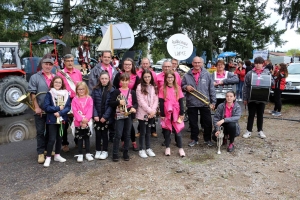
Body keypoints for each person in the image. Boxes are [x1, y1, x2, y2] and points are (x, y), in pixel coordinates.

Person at [182, 56, 216, 147]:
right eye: (195, 63)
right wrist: (186, 87)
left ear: (202, 63)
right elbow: (182, 86)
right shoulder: (186, 75)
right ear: (192, 63)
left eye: (199, 63)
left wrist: (213, 102)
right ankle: (194, 139)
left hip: (204, 102)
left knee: (208, 122)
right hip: (192, 102)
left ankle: (207, 139)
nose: (197, 64)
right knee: (193, 123)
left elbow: (211, 89)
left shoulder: (207, 74)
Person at [28, 58, 56, 164]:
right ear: (42, 65)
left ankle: (47, 150)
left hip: (51, 110)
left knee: (50, 131)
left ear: (52, 66)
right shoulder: (35, 77)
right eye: (46, 64)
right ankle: (40, 152)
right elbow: (33, 93)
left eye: (50, 64)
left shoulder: (54, 77)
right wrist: (36, 107)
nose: (48, 66)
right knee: (40, 132)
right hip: (40, 109)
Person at [89, 51, 118, 143]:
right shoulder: (95, 70)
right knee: (101, 118)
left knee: (111, 117)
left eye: (108, 57)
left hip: (112, 96)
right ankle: (101, 139)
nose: (106, 58)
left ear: (111, 58)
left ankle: (112, 137)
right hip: (99, 96)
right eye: (104, 57)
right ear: (101, 57)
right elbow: (92, 85)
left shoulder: (114, 70)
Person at [43, 76, 71, 167]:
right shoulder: (49, 93)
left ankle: (57, 155)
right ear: (53, 83)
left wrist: (60, 113)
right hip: (52, 120)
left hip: (62, 119)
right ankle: (48, 157)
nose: (58, 84)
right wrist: (57, 108)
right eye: (56, 82)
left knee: (60, 137)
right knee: (51, 139)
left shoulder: (66, 93)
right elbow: (46, 107)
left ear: (62, 84)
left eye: (59, 82)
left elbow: (67, 107)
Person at [57, 54, 83, 152]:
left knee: (76, 121)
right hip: (64, 101)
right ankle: (64, 143)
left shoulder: (78, 73)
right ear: (64, 62)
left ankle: (77, 141)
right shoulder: (60, 74)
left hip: (76, 100)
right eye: (68, 61)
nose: (70, 62)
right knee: (64, 123)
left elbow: (81, 86)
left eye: (72, 60)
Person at [110, 73, 138, 162]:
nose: (125, 82)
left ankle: (126, 152)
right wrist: (118, 102)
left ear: (129, 81)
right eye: (123, 80)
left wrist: (134, 107)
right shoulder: (116, 91)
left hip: (128, 114)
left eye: (126, 80)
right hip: (119, 114)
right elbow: (111, 103)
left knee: (127, 134)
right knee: (118, 134)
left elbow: (136, 103)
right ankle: (115, 153)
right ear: (120, 81)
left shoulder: (132, 92)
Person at [113, 58, 140, 151]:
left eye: (129, 64)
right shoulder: (118, 75)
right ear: (123, 65)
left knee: (130, 125)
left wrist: (134, 105)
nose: (127, 66)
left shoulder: (136, 77)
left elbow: (137, 90)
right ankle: (124, 141)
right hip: (120, 104)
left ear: (132, 65)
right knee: (121, 124)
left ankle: (133, 141)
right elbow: (115, 88)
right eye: (125, 64)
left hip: (130, 104)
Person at [242, 56, 270, 139]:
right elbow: (245, 86)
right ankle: (249, 131)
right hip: (251, 97)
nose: (258, 65)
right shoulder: (250, 73)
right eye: (256, 63)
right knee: (251, 114)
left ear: (263, 64)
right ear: (254, 64)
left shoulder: (267, 73)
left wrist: (268, 80)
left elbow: (271, 83)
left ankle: (260, 131)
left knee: (260, 114)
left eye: (260, 63)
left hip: (262, 97)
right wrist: (245, 98)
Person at [159, 70, 185, 157]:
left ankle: (180, 148)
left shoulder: (177, 87)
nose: (170, 79)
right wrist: (162, 114)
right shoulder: (162, 88)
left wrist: (182, 113)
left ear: (174, 78)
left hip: (176, 112)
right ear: (166, 78)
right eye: (168, 77)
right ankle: (167, 147)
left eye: (172, 77)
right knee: (167, 130)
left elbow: (181, 101)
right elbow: (161, 102)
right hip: (167, 112)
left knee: (178, 130)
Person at [91, 72, 115, 160]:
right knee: (97, 133)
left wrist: (105, 116)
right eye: (102, 79)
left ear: (109, 80)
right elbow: (92, 103)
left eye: (106, 79)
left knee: (105, 134)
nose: (104, 80)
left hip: (106, 116)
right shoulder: (95, 89)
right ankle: (97, 150)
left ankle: (105, 150)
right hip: (97, 115)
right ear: (99, 79)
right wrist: (95, 115)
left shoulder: (112, 90)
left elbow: (111, 105)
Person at [136, 69, 158, 158]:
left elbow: (156, 100)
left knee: (148, 132)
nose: (147, 78)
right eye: (145, 77)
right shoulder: (139, 87)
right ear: (142, 77)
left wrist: (153, 111)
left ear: (151, 77)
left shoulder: (154, 86)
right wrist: (149, 110)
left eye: (148, 76)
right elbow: (140, 101)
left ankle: (148, 148)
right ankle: (141, 149)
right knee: (143, 131)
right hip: (143, 113)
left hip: (151, 114)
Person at [72, 82, 94, 162]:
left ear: (86, 89)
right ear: (76, 90)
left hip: (87, 122)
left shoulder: (89, 98)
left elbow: (90, 110)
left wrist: (86, 120)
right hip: (78, 122)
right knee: (80, 138)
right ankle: (80, 154)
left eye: (82, 89)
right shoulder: (75, 99)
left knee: (87, 138)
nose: (81, 91)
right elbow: (75, 110)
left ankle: (88, 153)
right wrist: (81, 120)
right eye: (79, 89)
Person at [136, 58, 158, 138]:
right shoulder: (138, 73)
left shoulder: (153, 74)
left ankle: (153, 130)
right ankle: (139, 131)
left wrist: (153, 110)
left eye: (146, 63)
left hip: (151, 98)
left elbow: (154, 84)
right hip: (142, 95)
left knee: (151, 119)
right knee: (142, 119)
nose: (145, 65)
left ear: (149, 64)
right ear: (141, 64)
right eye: (143, 63)